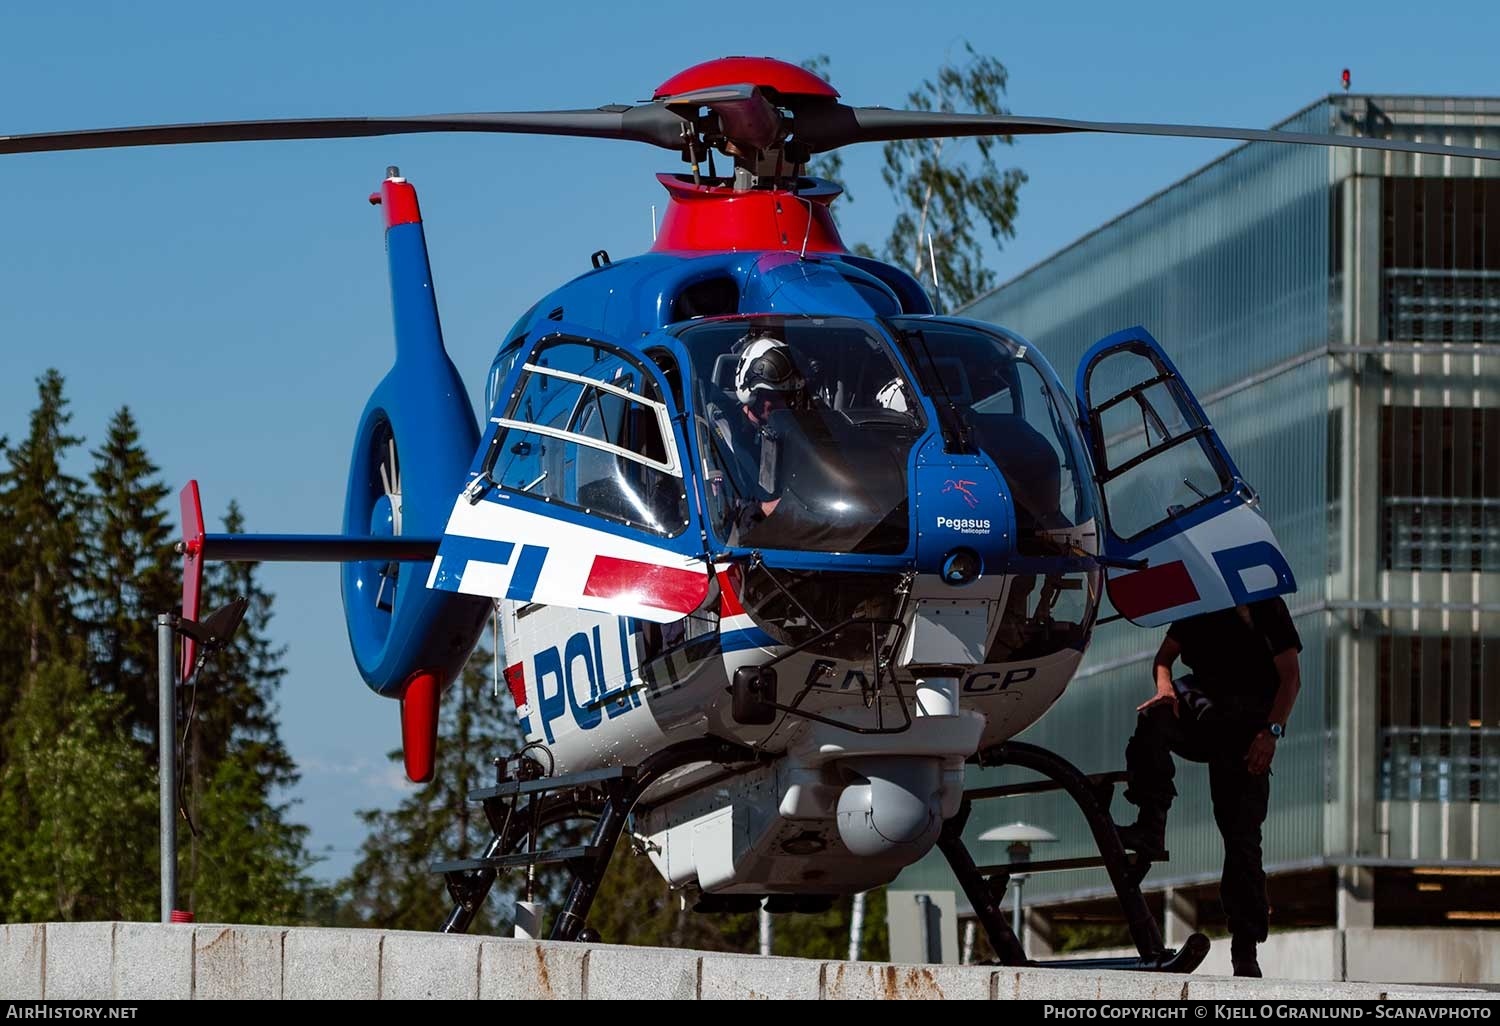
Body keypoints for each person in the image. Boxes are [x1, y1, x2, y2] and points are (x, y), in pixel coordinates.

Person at [1115, 596, 1303, 978]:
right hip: (1204, 716)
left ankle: (1245, 949)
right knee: (1153, 718)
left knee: (1242, 839)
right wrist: (1165, 688)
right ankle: (1152, 822)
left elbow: (1290, 677)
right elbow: (1163, 659)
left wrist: (1271, 733)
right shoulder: (1197, 602)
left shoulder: (1266, 604)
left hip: (1247, 734)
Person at [707, 332, 810, 539]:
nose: (782, 405)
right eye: (774, 396)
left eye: (787, 397)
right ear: (751, 393)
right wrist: (765, 508)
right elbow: (718, 510)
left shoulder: (793, 434)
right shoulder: (722, 437)